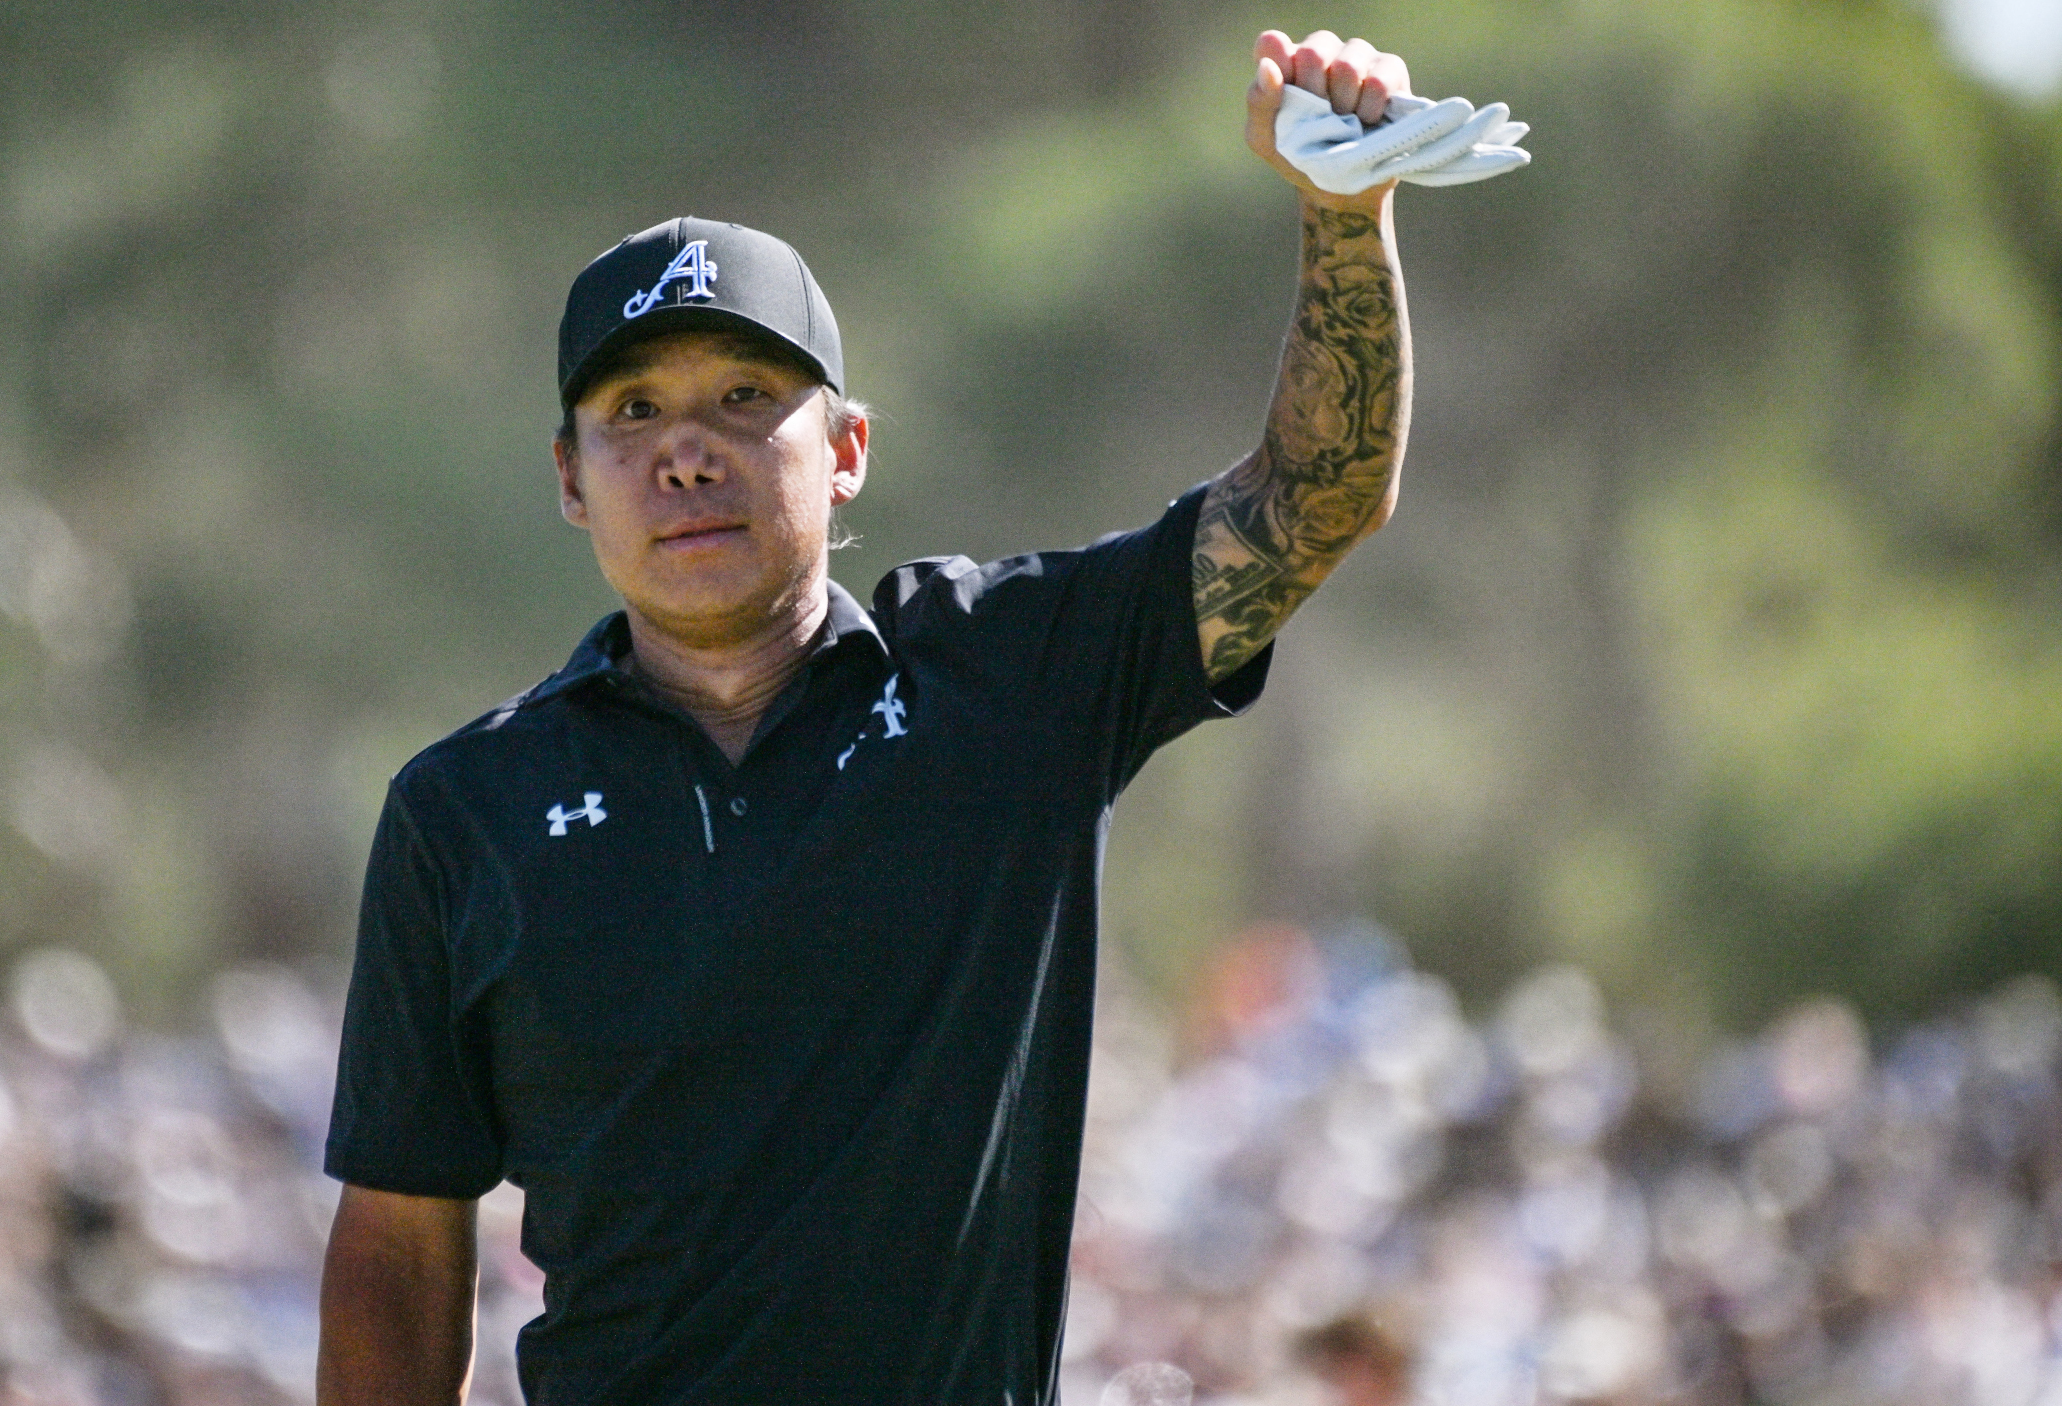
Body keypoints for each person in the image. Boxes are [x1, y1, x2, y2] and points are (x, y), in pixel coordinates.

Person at [319, 28, 1431, 1406]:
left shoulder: (1009, 680)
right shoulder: (464, 809)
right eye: (631, 409)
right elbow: (400, 1234)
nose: (685, 448)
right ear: (569, 475)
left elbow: (1315, 498)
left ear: (845, 450)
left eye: (744, 397)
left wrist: (1343, 213)